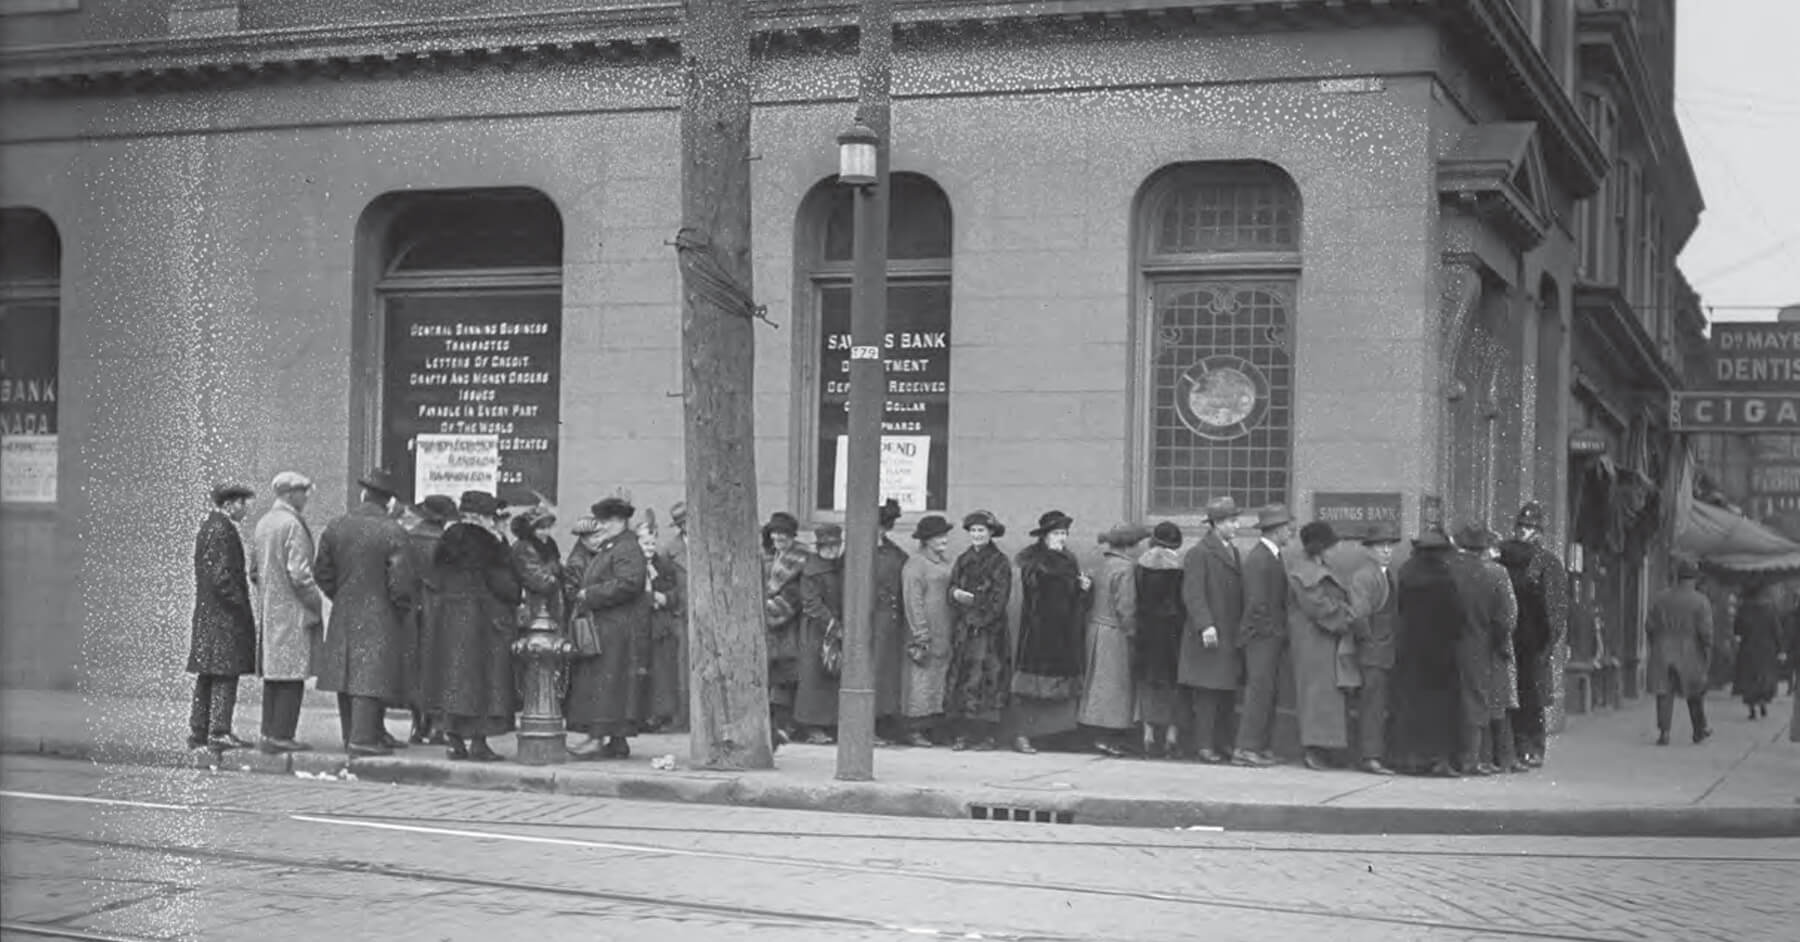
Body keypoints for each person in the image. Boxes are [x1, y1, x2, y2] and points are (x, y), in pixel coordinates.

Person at [313, 469, 415, 756]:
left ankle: (352, 736)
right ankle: (364, 739)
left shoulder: (336, 526)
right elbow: (401, 581)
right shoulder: (394, 531)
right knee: (371, 676)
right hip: (381, 611)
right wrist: (401, 607)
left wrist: (340, 594)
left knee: (346, 675)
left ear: (363, 495)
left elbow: (322, 571)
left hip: (344, 608)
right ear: (389, 502)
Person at [424, 490, 520, 762]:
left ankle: (454, 739)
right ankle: (479, 742)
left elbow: (434, 578)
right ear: (480, 516)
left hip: (449, 618)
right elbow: (504, 585)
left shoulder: (446, 540)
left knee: (453, 680)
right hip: (482, 619)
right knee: (483, 682)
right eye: (491, 517)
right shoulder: (489, 544)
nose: (494, 522)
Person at [568, 497, 652, 758]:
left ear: (618, 521)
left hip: (615, 628)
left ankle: (597, 738)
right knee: (612, 684)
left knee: (605, 684)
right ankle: (616, 740)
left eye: (604, 522)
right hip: (610, 626)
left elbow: (629, 583)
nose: (600, 526)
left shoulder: (624, 548)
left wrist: (589, 594)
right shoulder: (615, 546)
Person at [1389, 524, 1471, 777]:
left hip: (1410, 649)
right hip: (1440, 653)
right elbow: (1458, 616)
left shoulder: (1405, 573)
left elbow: (1400, 608)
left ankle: (1409, 759)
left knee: (1411, 705)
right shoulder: (1445, 577)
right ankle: (1440, 760)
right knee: (1441, 709)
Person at [252, 471, 322, 754]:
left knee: (273, 674)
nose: (306, 497)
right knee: (292, 675)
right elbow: (300, 574)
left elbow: (254, 571)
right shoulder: (292, 524)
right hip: (293, 610)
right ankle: (282, 735)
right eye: (303, 492)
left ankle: (268, 733)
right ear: (291, 493)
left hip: (270, 608)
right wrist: (317, 604)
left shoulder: (265, 523)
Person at [1011, 510, 1091, 755]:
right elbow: (1035, 594)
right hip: (1039, 632)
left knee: (1061, 687)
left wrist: (1084, 588)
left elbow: (1073, 596)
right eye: (1057, 533)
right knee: (1032, 687)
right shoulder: (1035, 562)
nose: (1062, 538)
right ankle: (1022, 735)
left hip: (1065, 632)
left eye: (1064, 533)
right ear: (1045, 536)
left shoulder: (1069, 559)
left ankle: (1054, 736)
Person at [186, 482, 258, 751]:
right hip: (223, 618)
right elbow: (221, 578)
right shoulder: (222, 530)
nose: (245, 511)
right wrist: (239, 605)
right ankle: (218, 731)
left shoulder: (210, 526)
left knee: (208, 675)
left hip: (211, 616)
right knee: (225, 676)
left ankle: (199, 730)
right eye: (242, 505)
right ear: (229, 504)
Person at [1497, 501, 1569, 768]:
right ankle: (1528, 747)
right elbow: (1557, 610)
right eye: (1523, 527)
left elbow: (1557, 609)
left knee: (1525, 697)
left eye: (1529, 527)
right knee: (1528, 697)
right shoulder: (1543, 561)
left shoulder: (1505, 556)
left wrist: (1548, 643)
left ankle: (1526, 747)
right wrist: (1548, 642)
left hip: (1521, 640)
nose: (1525, 532)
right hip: (1529, 640)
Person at [1286, 521, 1360, 771]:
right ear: (1319, 548)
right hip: (1313, 643)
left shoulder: (1319, 568)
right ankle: (1313, 749)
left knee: (1327, 697)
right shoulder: (1303, 573)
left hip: (1325, 641)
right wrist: (1347, 617)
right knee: (1316, 697)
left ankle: (1325, 747)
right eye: (1330, 545)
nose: (1335, 549)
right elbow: (1317, 607)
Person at [1180, 497, 1245, 763]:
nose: (1237, 525)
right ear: (1217, 524)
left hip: (1228, 632)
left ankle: (1222, 742)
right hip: (1209, 635)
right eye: (1231, 521)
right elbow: (1193, 593)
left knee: (1226, 692)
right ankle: (1204, 745)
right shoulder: (1200, 553)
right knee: (1208, 693)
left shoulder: (1234, 551)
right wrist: (1205, 624)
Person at [1078, 523, 1148, 757]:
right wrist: (1133, 633)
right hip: (1115, 632)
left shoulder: (1102, 564)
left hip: (1097, 628)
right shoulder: (1127, 568)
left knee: (1099, 684)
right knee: (1116, 686)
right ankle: (1109, 738)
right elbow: (1126, 607)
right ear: (1130, 546)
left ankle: (1098, 735)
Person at [946, 510, 1013, 751]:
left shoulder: (999, 561)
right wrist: (955, 594)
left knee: (988, 679)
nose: (977, 535)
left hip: (989, 633)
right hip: (966, 630)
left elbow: (999, 599)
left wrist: (979, 616)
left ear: (991, 533)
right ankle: (963, 733)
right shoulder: (963, 559)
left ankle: (986, 736)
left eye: (981, 530)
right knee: (964, 679)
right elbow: (951, 586)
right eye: (973, 530)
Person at [1232, 504, 1293, 767]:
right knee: (1259, 692)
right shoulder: (1260, 559)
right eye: (1288, 528)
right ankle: (1246, 748)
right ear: (1277, 530)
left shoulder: (1273, 556)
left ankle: (1260, 746)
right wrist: (1272, 632)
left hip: (1268, 636)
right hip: (1261, 638)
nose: (1291, 532)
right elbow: (1257, 603)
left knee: (1267, 692)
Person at [1450, 524, 1512, 776]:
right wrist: (1498, 645)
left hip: (1451, 644)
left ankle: (1452, 756)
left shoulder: (1450, 571)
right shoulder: (1492, 576)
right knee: (1477, 701)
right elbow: (1504, 618)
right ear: (1483, 548)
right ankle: (1472, 759)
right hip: (1480, 645)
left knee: (1453, 699)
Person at [403, 494, 459, 746]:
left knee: (415, 666)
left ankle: (418, 724)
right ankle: (437, 725)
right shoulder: (447, 542)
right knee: (440, 665)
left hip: (412, 608)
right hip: (441, 608)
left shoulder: (408, 537)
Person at [1346, 520, 1401, 775]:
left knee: (1379, 705)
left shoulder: (1387, 574)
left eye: (1390, 546)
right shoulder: (1364, 576)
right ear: (1369, 549)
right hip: (1373, 652)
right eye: (1381, 546)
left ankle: (1376, 754)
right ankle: (1370, 756)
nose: (1387, 551)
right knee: (1372, 706)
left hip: (1385, 649)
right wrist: (1371, 641)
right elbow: (1359, 616)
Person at [900, 514, 956, 746]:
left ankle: (933, 726)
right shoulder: (915, 565)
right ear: (926, 540)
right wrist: (920, 633)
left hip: (944, 627)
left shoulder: (944, 562)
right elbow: (912, 601)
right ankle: (915, 728)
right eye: (938, 536)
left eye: (945, 535)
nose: (944, 540)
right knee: (920, 679)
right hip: (925, 630)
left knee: (938, 678)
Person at [1645, 558, 1713, 746]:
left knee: (1664, 692)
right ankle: (1699, 730)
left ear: (1677, 577)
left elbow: (1649, 625)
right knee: (1694, 691)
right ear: (1694, 579)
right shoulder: (1701, 601)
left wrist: (1656, 642)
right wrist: (1707, 650)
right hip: (1690, 649)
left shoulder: (1661, 598)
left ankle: (1664, 732)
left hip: (1662, 647)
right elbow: (1706, 632)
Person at [1135, 522, 1187, 759]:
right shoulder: (1179, 567)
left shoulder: (1141, 565)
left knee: (1148, 683)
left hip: (1147, 631)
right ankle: (1171, 738)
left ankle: (1147, 736)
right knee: (1173, 686)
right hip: (1173, 633)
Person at [761, 512, 809, 744]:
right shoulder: (768, 557)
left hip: (788, 627)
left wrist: (764, 611)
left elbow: (795, 596)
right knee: (771, 678)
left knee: (785, 677)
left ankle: (784, 726)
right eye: (775, 532)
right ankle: (773, 727)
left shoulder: (800, 560)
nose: (778, 537)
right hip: (767, 629)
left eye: (784, 533)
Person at [796, 523, 846, 743]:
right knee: (813, 679)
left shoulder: (839, 567)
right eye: (829, 546)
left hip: (836, 627)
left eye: (836, 546)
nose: (834, 550)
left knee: (832, 677)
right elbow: (811, 604)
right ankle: (811, 726)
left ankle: (830, 724)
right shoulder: (811, 570)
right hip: (817, 630)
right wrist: (833, 625)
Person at [640, 515, 685, 732]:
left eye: (652, 543)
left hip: (660, 625)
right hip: (640, 625)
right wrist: (650, 599)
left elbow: (676, 590)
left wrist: (665, 598)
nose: (650, 547)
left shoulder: (663, 564)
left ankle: (660, 715)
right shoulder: (632, 565)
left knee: (662, 673)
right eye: (645, 543)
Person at [873, 499, 912, 745]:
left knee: (885, 675)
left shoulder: (896, 555)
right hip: (863, 621)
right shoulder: (855, 552)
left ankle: (883, 724)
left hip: (888, 621)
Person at [1733, 582, 1784, 720]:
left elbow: (1737, 630)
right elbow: (1777, 630)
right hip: (1767, 649)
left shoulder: (1743, 609)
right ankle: (1763, 703)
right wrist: (1780, 649)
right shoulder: (1770, 608)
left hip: (1748, 648)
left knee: (1749, 678)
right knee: (1764, 677)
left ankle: (1752, 709)